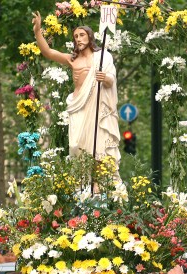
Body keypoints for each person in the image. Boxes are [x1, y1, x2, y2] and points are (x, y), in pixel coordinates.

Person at [32, 12, 121, 171]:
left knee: (97, 144)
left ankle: (98, 184)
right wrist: (38, 31)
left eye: (81, 35)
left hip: (96, 106)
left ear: (90, 37)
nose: (78, 39)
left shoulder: (102, 57)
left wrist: (105, 77)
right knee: (76, 145)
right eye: (75, 36)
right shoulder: (72, 59)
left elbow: (111, 79)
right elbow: (49, 52)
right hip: (77, 104)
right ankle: (82, 183)